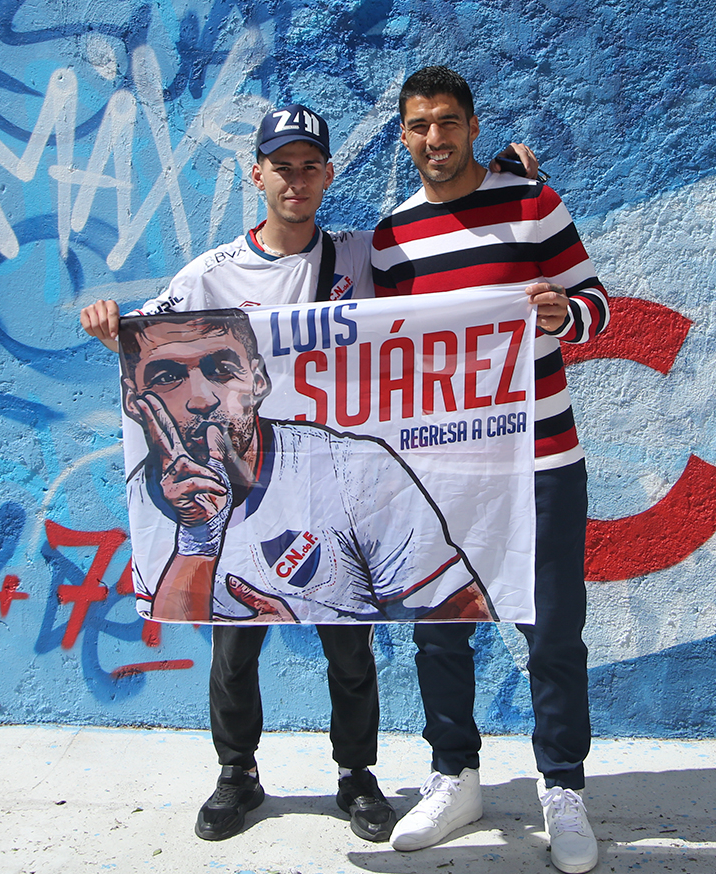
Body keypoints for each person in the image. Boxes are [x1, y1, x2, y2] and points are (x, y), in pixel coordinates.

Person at [80, 103, 537, 847]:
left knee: (347, 641)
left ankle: (355, 775)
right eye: (281, 167)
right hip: (225, 479)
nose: (294, 181)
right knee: (233, 643)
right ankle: (237, 775)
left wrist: (500, 183)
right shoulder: (212, 274)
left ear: (327, 175)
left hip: (321, 472)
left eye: (308, 167)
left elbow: (441, 233)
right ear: (256, 174)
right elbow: (144, 339)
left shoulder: (361, 254)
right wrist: (108, 325)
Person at [371, 67, 610, 874]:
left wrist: (565, 313)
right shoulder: (390, 238)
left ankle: (562, 788)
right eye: (418, 126)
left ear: (472, 126)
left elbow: (597, 303)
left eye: (446, 122)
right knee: (439, 627)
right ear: (404, 136)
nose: (433, 138)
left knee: (552, 631)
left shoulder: (532, 204)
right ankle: (454, 778)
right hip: (441, 468)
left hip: (542, 458)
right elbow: (380, 352)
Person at [117, 309, 496, 625]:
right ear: (133, 401)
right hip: (233, 683)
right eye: (167, 378)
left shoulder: (354, 470)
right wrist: (198, 540)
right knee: (231, 675)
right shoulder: (144, 493)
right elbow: (172, 631)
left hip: (347, 667)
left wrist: (303, 623)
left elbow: (457, 610)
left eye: (221, 369)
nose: (202, 399)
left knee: (349, 670)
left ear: (258, 380)